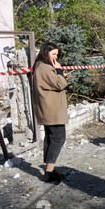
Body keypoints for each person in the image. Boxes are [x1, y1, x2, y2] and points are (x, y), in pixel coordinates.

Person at [32, 42, 68, 184]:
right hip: (52, 110)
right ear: (45, 53)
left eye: (57, 55)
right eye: (53, 54)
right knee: (58, 139)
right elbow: (60, 84)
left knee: (50, 139)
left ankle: (50, 169)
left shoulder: (40, 67)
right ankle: (49, 172)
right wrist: (59, 71)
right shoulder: (45, 68)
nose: (56, 58)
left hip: (48, 109)